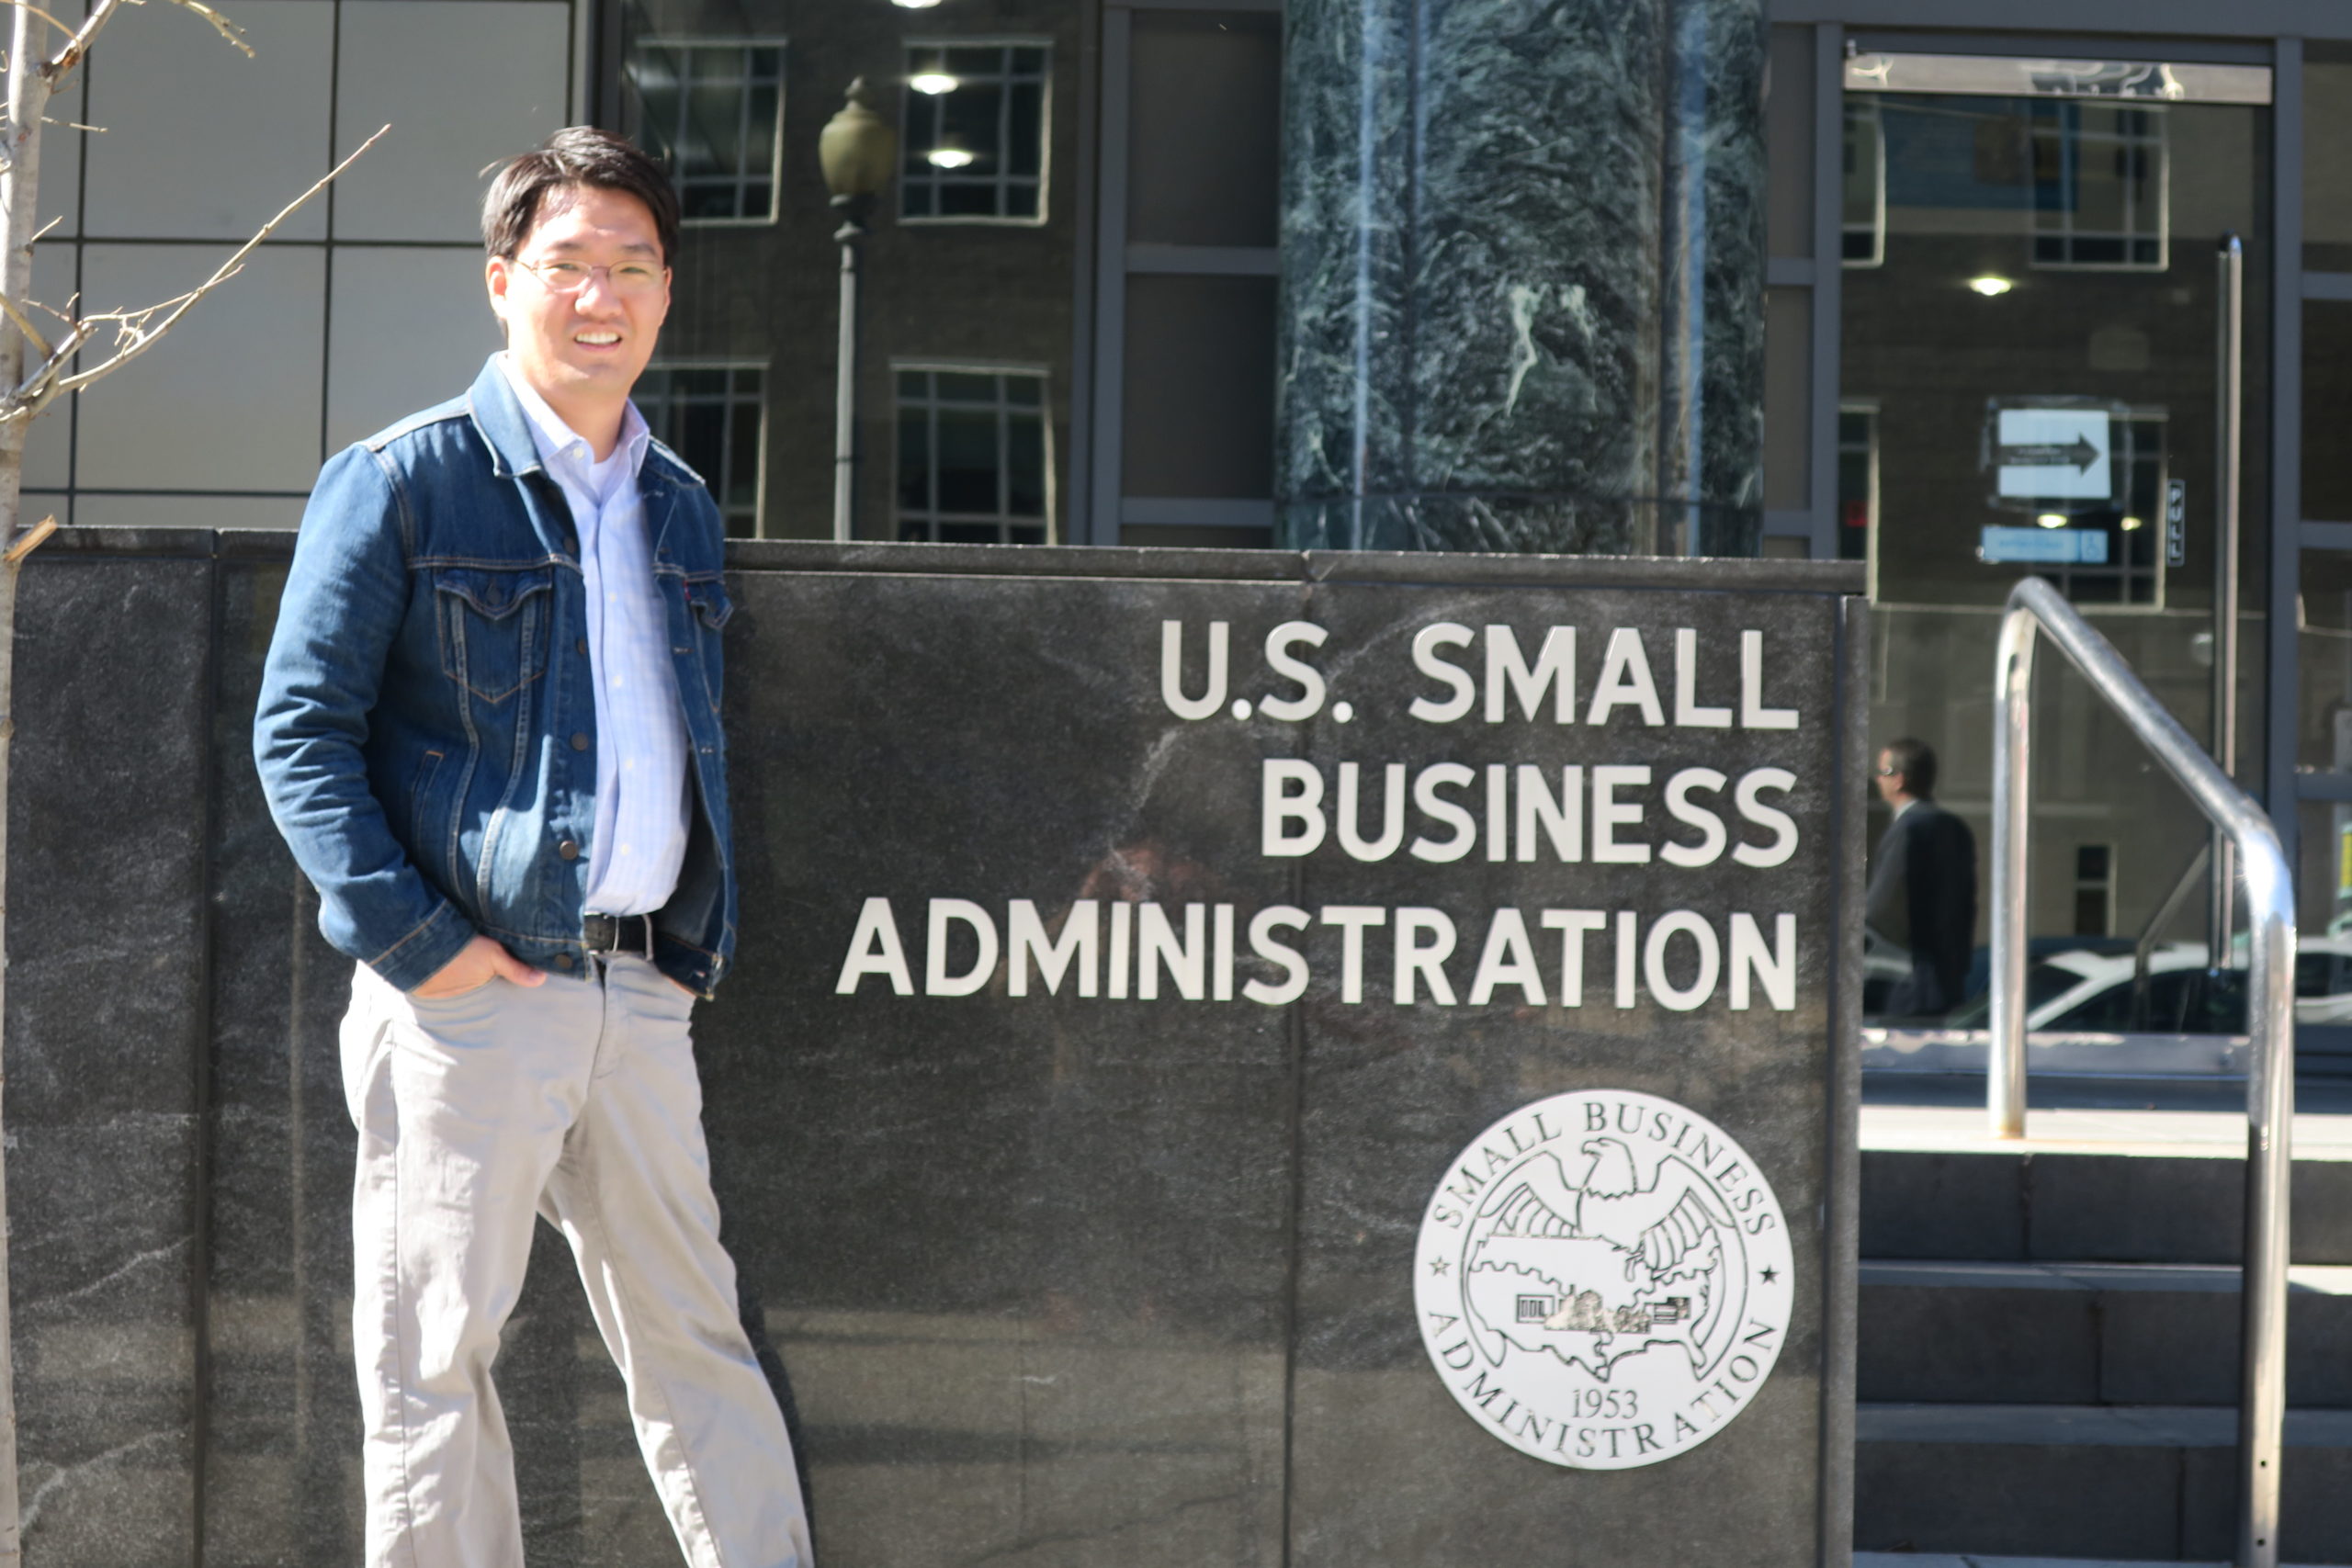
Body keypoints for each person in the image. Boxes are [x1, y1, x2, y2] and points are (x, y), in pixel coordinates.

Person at [252, 129, 810, 1568]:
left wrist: (676, 967)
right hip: (472, 998)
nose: (601, 295)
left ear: (668, 294)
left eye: (633, 266)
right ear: (505, 281)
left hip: (641, 995)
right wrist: (426, 951)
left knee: (698, 1341)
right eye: (568, 264)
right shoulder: (404, 480)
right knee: (434, 1359)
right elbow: (298, 732)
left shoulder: (681, 503)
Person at [1865, 737, 1978, 1019]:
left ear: (1899, 780)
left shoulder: (1910, 829)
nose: (1878, 779)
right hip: (1947, 978)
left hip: (1906, 984)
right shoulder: (1953, 826)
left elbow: (1881, 909)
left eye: (1882, 772)